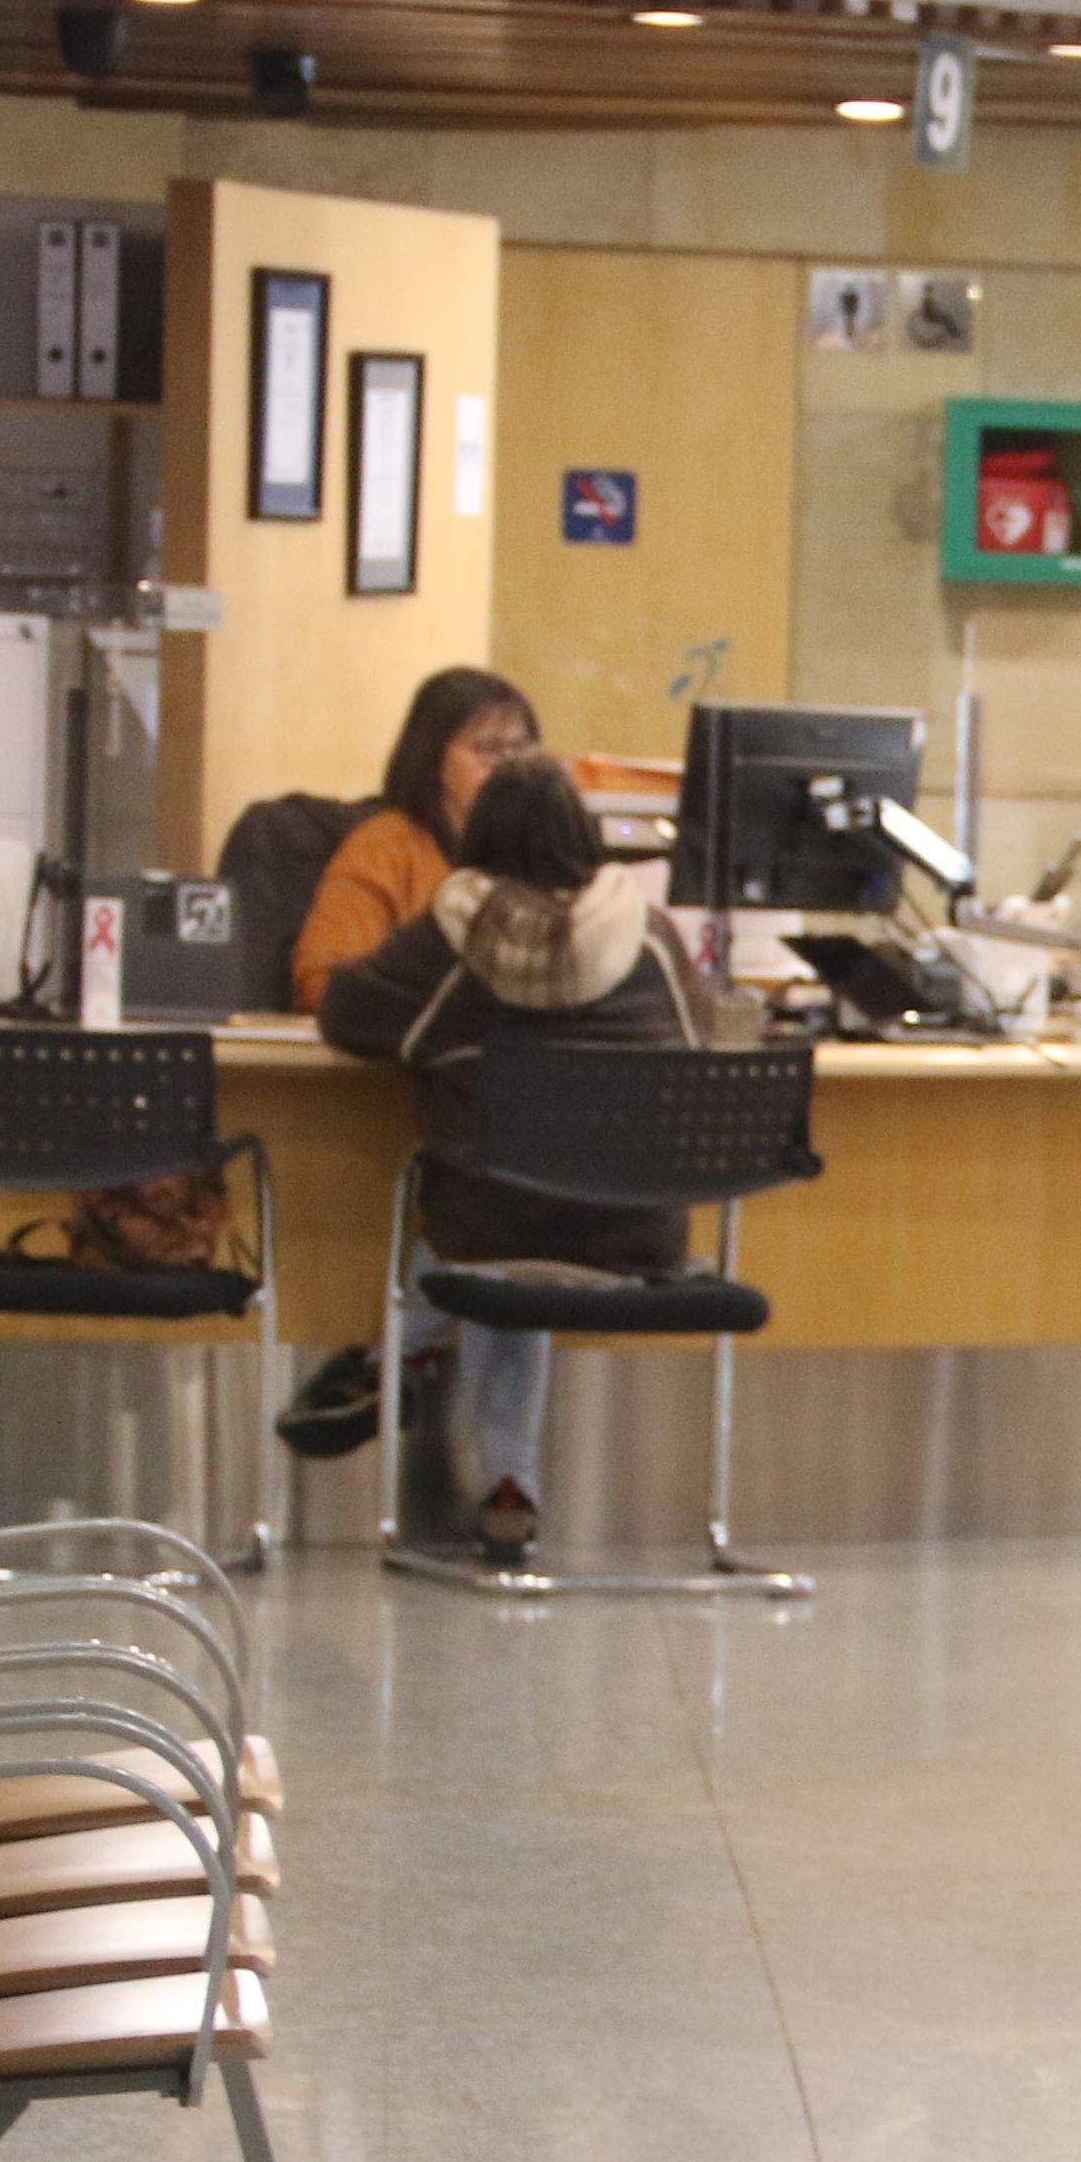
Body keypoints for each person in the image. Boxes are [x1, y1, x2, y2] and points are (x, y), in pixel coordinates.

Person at [313, 751, 701, 1561]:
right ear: (584, 836)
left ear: (479, 837)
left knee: (501, 1234)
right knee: (523, 1239)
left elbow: (344, 1013)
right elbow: (707, 1044)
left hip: (485, 1230)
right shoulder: (650, 937)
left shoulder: (452, 940)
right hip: (635, 1237)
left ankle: (394, 1357)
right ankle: (502, 1482)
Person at [297, 668, 538, 1005]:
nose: (509, 768)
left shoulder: (542, 847)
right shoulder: (385, 849)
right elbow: (325, 984)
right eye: (487, 749)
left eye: (520, 750)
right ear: (433, 757)